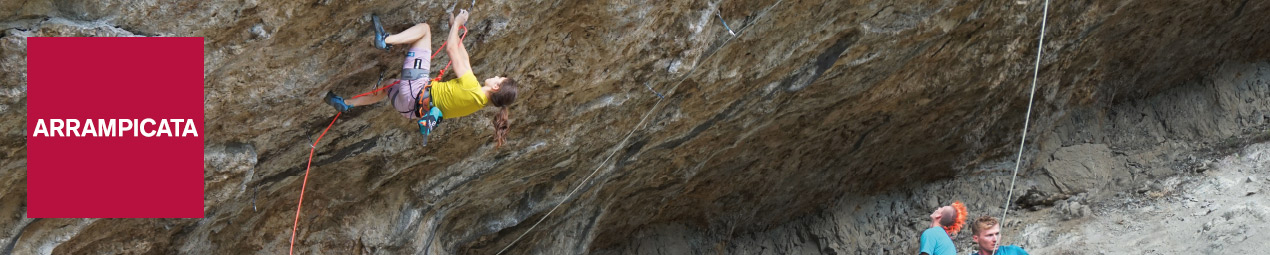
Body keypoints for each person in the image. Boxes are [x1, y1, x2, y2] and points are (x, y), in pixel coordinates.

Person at [324, 10, 519, 147]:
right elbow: (464, 59)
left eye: (499, 78)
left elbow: (451, 49)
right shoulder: (477, 102)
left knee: (425, 29)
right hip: (409, 110)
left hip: (415, 90)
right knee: (388, 86)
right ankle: (346, 103)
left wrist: (458, 23)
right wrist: (454, 27)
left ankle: (385, 40)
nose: (496, 76)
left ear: (496, 87)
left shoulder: (471, 87)